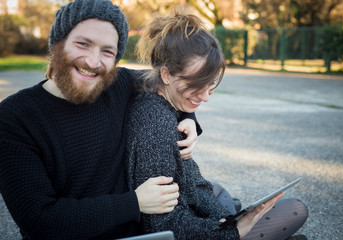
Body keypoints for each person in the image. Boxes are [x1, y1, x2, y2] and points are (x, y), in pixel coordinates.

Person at [0, 1, 201, 239]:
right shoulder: (14, 118)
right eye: (83, 44)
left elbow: (170, 83)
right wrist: (134, 202)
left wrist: (188, 117)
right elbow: (41, 220)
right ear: (57, 43)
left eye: (107, 51)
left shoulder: (121, 84)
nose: (93, 62)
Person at [125, 10, 309, 240]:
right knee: (295, 209)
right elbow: (161, 226)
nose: (205, 98)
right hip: (178, 228)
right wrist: (230, 231)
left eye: (210, 87)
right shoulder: (155, 123)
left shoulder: (168, 106)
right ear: (166, 74)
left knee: (223, 197)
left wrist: (222, 219)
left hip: (188, 214)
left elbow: (192, 182)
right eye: (197, 86)